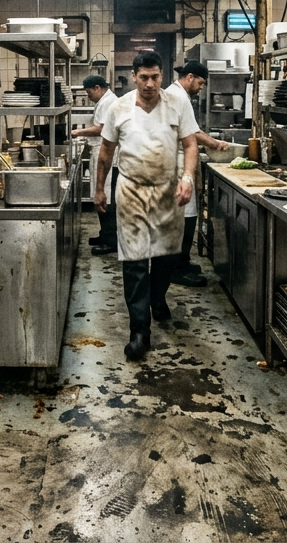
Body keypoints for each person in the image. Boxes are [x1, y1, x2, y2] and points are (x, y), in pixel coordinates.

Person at [95, 51, 199, 361]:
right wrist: (99, 189)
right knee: (136, 260)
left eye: (155, 77)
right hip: (131, 190)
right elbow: (106, 151)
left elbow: (190, 144)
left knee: (167, 255)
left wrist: (188, 178)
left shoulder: (178, 103)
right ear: (133, 76)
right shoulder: (120, 107)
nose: (150, 84)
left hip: (168, 190)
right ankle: (140, 331)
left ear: (162, 75)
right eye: (144, 78)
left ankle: (158, 298)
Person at [164, 61, 231, 287]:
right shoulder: (179, 97)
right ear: (190, 77)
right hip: (177, 166)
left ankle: (181, 262)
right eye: (201, 83)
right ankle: (175, 270)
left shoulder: (175, 93)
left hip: (178, 162)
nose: (202, 87)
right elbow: (192, 132)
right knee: (184, 219)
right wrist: (214, 143)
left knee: (185, 218)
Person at [70, 74, 119, 255]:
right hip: (100, 151)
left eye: (89, 93)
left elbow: (102, 129)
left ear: (98, 88)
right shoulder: (105, 101)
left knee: (105, 197)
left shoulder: (108, 102)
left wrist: (78, 132)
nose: (89, 96)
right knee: (101, 197)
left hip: (107, 154)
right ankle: (104, 234)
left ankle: (110, 241)